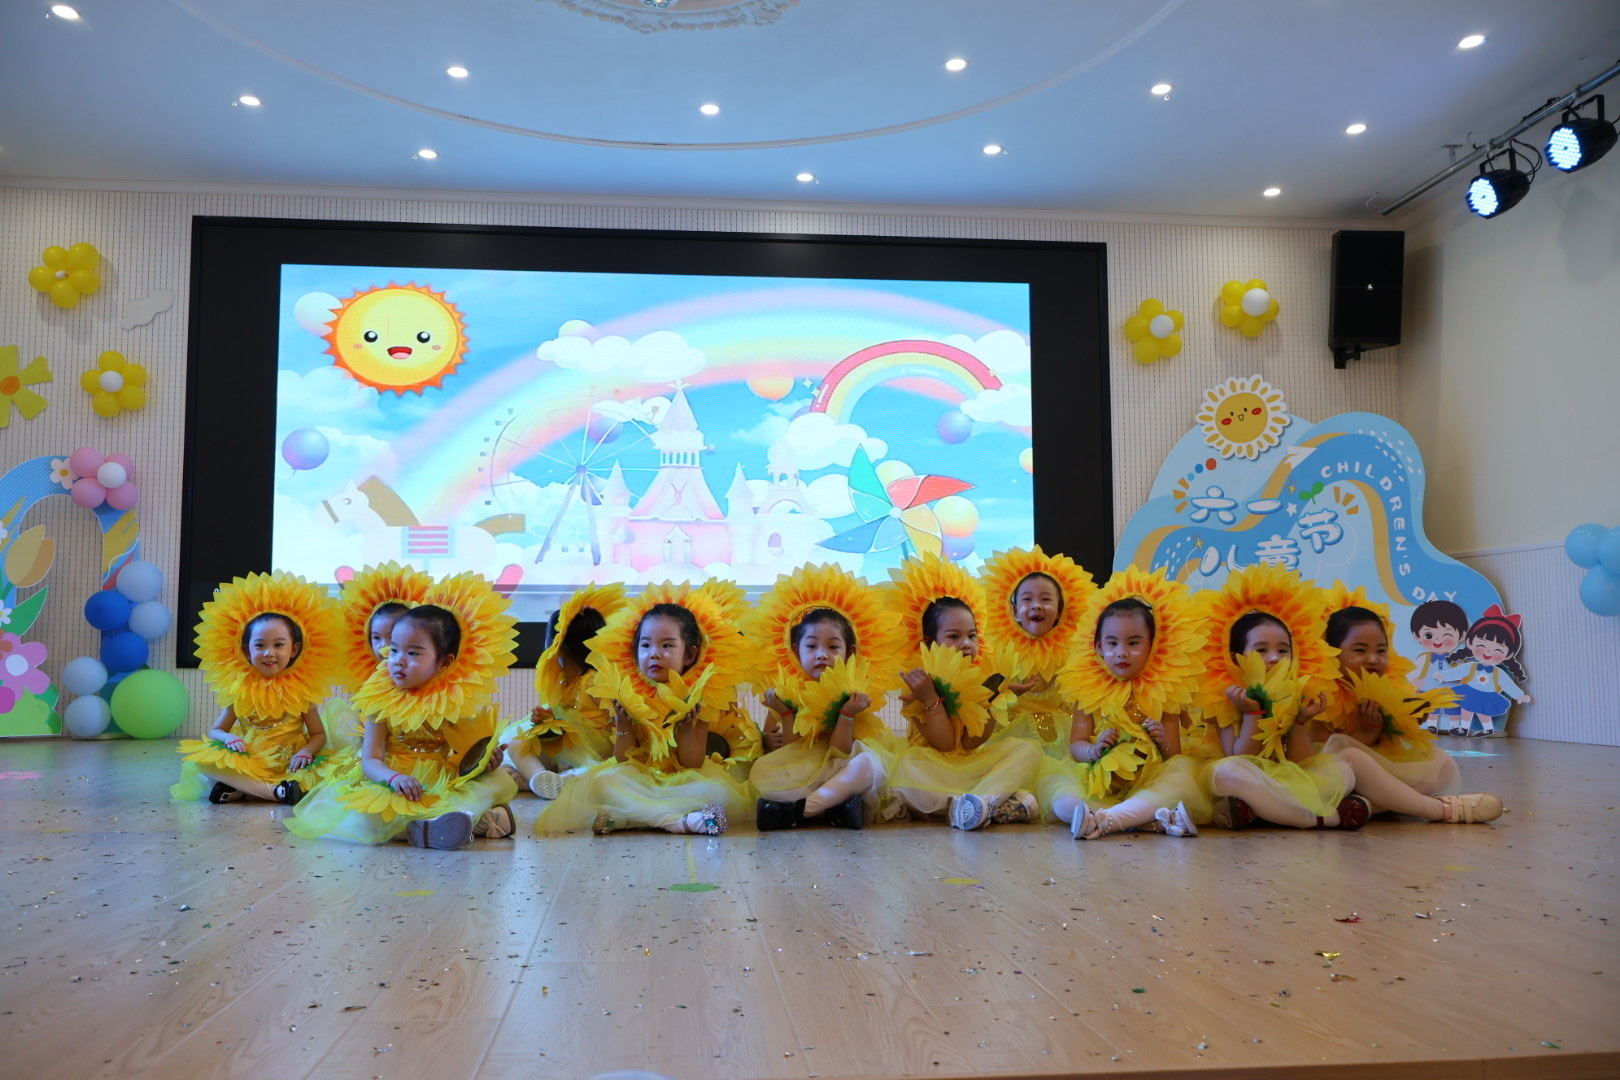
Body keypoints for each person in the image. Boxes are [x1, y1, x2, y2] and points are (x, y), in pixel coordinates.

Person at [285, 573, 520, 849]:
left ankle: (444, 824)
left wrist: (484, 762)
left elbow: (465, 758)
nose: (397, 661)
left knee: (493, 782)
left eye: (413, 653)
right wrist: (393, 778)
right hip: (390, 779)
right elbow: (370, 760)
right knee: (364, 815)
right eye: (394, 650)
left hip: (440, 779)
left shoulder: (453, 699)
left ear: (445, 662)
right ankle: (466, 823)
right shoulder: (380, 697)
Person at [534, 582, 753, 836]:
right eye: (646, 645)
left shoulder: (701, 696)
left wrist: (685, 729)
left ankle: (630, 818)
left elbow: (693, 763)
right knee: (603, 781)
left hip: (682, 780)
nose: (654, 654)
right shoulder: (626, 691)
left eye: (667, 646)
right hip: (640, 775)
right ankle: (676, 822)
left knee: (714, 791)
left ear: (689, 655)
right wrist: (624, 726)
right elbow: (622, 758)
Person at [1043, 567, 1210, 839]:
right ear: (1099, 647)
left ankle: (1110, 819)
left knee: (1180, 776)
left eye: (1133, 643)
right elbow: (1076, 745)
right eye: (1112, 643)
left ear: (1153, 645)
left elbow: (1173, 754)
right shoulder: (1087, 689)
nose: (1122, 652)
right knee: (1062, 798)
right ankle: (1143, 820)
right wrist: (1094, 750)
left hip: (1149, 779)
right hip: (1099, 780)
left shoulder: (1166, 691)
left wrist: (1162, 741)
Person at [1313, 588, 1503, 824]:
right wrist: (1367, 732)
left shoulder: (1385, 687)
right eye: (1360, 650)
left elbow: (1388, 748)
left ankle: (1366, 805)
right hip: (1330, 779)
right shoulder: (1319, 694)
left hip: (1366, 780)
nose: (1373, 658)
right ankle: (1437, 809)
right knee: (1351, 756)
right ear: (1331, 652)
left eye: (1381, 650)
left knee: (1439, 761)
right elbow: (1322, 758)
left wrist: (1404, 724)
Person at [883, 553, 1042, 830]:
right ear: (929, 642)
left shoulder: (976, 679)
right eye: (954, 636)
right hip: (933, 768)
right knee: (908, 771)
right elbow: (944, 744)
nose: (967, 644)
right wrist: (930, 698)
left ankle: (978, 803)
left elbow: (971, 742)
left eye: (972, 635)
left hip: (970, 767)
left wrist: (995, 699)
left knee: (1026, 750)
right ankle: (996, 804)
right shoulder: (919, 681)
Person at [1198, 564, 1362, 830]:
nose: (1274, 658)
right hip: (1248, 778)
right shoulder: (1224, 697)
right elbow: (1242, 758)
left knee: (1343, 767)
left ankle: (1264, 812)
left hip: (1284, 780)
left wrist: (1299, 721)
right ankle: (1317, 817)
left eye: (1283, 650)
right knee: (1225, 773)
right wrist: (1252, 713)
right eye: (1261, 650)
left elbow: (1302, 764)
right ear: (1235, 658)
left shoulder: (1296, 692)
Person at [746, 564, 905, 830]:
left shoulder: (855, 691)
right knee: (761, 771)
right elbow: (787, 753)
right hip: (799, 774)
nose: (822, 654)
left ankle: (802, 812)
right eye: (811, 646)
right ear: (795, 649)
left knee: (868, 763)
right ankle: (831, 808)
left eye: (833, 646)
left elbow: (840, 753)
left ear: (849, 652)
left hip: (838, 769)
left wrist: (847, 714)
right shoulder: (783, 691)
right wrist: (783, 716)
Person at [172, 572, 342, 806]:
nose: (269, 653)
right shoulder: (241, 689)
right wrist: (228, 737)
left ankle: (242, 790)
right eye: (260, 645)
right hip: (251, 758)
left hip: (290, 761)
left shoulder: (300, 690)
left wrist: (307, 752)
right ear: (246, 650)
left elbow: (318, 734)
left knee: (328, 776)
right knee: (204, 763)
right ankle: (276, 791)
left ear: (294, 649)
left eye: (279, 645)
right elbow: (216, 731)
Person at [501, 584, 625, 799]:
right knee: (517, 744)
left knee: (593, 768)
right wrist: (547, 722)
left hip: (593, 752)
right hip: (566, 750)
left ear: (556, 645)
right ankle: (540, 779)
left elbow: (618, 720)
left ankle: (568, 778)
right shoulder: (562, 682)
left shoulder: (593, 680)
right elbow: (564, 719)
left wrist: (613, 754)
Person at [979, 546, 1098, 757]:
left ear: (1060, 610)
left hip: (1064, 732)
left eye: (1046, 599)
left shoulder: (1075, 647)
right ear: (1014, 610)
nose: (1036, 605)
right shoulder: (997, 648)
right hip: (1010, 734)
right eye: (1027, 599)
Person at [1437, 605, 1531, 737]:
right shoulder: (1471, 667)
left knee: (1483, 712)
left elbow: (1508, 684)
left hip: (1486, 695)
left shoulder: (1498, 673)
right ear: (1470, 643)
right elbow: (1458, 672)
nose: (1488, 652)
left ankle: (1488, 729)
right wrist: (1443, 676)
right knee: (1466, 709)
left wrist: (1519, 695)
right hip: (1469, 691)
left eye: (1497, 650)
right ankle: (1464, 728)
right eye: (1482, 645)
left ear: (1509, 654)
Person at [1408, 599, 1468, 734]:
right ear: (1417, 636)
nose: (1437, 639)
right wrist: (1414, 682)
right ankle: (1431, 725)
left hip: (1451, 690)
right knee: (1430, 707)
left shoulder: (1457, 659)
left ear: (1461, 636)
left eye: (1447, 634)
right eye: (1429, 635)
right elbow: (1414, 672)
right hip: (1428, 688)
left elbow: (1464, 673)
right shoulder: (1423, 659)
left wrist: (1465, 682)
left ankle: (1454, 726)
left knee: (1453, 708)